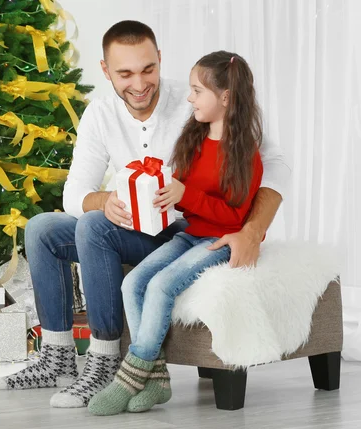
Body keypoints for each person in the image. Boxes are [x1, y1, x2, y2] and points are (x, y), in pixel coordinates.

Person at [0, 20, 289, 409]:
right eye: (125, 73)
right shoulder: (100, 113)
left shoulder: (198, 101)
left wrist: (252, 230)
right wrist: (106, 201)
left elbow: (273, 163)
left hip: (182, 226)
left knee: (94, 227)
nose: (139, 83)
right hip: (129, 227)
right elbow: (74, 194)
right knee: (42, 228)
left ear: (160, 59)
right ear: (105, 71)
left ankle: (104, 360)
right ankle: (57, 359)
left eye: (148, 69)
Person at [88, 50, 264, 415]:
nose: (189, 98)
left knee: (162, 285)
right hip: (188, 233)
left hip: (218, 240)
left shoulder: (247, 155)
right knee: (132, 283)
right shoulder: (195, 139)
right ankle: (157, 381)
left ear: (226, 97)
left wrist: (188, 196)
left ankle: (131, 375)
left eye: (197, 91)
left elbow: (234, 218)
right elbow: (184, 198)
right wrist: (157, 193)